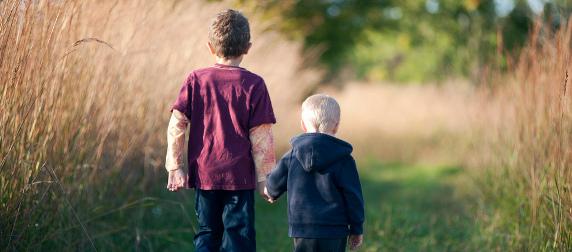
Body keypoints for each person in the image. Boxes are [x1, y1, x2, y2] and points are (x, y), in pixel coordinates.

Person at [164, 9, 276, 251]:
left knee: (208, 234)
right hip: (240, 177)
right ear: (248, 48)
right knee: (239, 238)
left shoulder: (196, 79)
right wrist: (266, 178)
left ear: (210, 47)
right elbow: (261, 135)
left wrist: (175, 165)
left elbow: (177, 123)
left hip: (205, 174)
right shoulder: (255, 84)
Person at [264, 94, 365, 251]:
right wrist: (357, 228)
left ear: (303, 125)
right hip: (335, 230)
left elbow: (271, 187)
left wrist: (271, 192)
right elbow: (353, 196)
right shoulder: (344, 160)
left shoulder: (292, 156)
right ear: (336, 126)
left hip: (303, 229)